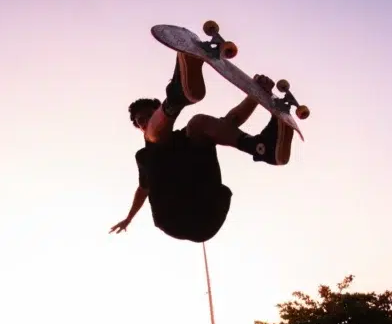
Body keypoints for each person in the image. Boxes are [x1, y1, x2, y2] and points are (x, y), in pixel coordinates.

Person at [110, 50, 298, 243]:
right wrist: (129, 218)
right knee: (155, 141)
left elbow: (229, 123)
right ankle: (176, 97)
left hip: (208, 209)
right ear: (138, 127)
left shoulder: (188, 137)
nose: (146, 121)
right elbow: (143, 190)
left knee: (199, 124)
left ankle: (263, 148)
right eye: (141, 121)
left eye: (150, 115)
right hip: (174, 217)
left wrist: (256, 95)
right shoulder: (144, 156)